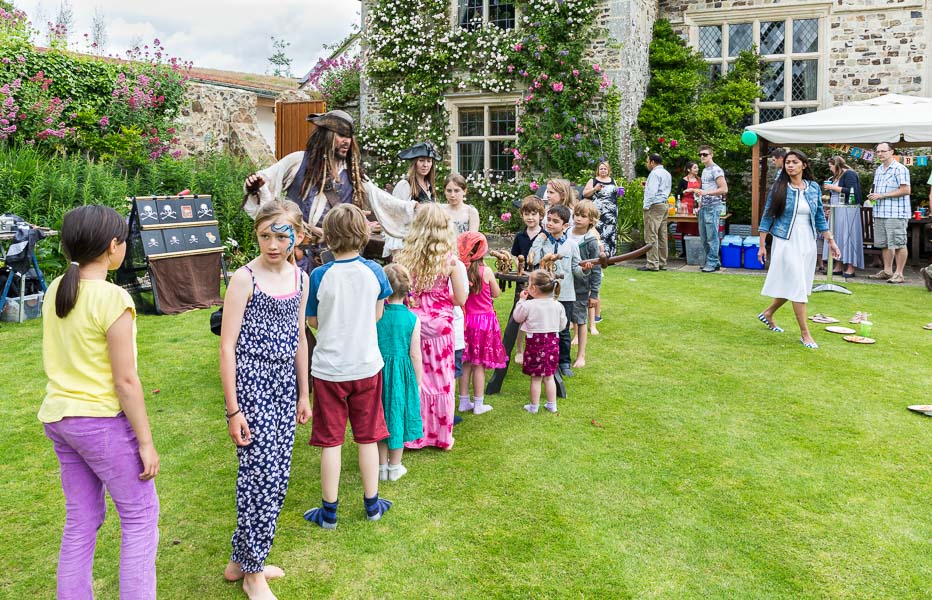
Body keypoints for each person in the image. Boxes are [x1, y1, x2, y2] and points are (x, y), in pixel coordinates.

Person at [38, 205, 160, 600]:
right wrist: (145, 442)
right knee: (141, 518)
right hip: (99, 423)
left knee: (81, 518)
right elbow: (125, 381)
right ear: (113, 247)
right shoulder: (112, 298)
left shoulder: (57, 288)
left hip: (61, 420)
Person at [219, 200, 311, 599]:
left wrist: (304, 392)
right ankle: (253, 573)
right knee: (260, 476)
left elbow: (299, 338)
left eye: (281, 235)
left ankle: (241, 560)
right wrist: (233, 409)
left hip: (284, 387)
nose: (272, 244)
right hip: (251, 386)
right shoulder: (244, 279)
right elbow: (226, 347)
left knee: (277, 474)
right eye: (264, 236)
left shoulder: (302, 279)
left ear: (298, 237)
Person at [303, 204, 394, 529]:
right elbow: (378, 314)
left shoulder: (318, 275)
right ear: (364, 234)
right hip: (366, 365)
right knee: (367, 438)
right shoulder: (375, 272)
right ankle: (372, 505)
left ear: (327, 237)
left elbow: (312, 320)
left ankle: (329, 513)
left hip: (329, 369)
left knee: (331, 441)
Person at [241, 109, 416, 263]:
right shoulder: (298, 161)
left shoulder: (354, 174)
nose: (346, 141)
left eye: (349, 136)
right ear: (326, 136)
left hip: (336, 258)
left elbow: (383, 200)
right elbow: (267, 179)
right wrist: (256, 184)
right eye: (341, 135)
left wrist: (413, 209)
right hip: (298, 255)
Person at [398, 204, 468, 451]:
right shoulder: (451, 262)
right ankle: (440, 436)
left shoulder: (404, 257)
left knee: (415, 379)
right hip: (440, 326)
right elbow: (460, 298)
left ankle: (413, 435)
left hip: (412, 323)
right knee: (441, 381)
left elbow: (399, 294)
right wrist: (439, 299)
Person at [757, 149, 840, 349]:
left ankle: (767, 313)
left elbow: (819, 215)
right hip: (786, 240)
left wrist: (830, 240)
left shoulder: (813, 188)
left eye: (794, 162)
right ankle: (805, 334)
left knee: (797, 283)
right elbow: (767, 216)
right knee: (798, 286)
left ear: (804, 164)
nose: (790, 165)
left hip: (808, 241)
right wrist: (761, 245)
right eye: (787, 162)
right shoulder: (779, 188)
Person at [376, 263, 423, 482]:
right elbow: (415, 354)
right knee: (397, 413)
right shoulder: (413, 318)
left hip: (378, 371)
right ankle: (394, 467)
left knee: (380, 415)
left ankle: (380, 466)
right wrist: (418, 380)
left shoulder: (376, 315)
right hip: (401, 374)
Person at [457, 231, 508, 415]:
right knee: (479, 364)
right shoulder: (485, 271)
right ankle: (478, 403)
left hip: (466, 321)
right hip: (484, 322)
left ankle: (463, 401)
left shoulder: (460, 270)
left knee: (466, 363)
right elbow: (496, 293)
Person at [529, 204, 582, 377]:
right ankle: (543, 357)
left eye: (555, 221)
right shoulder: (543, 242)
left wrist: (585, 269)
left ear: (565, 226)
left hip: (565, 294)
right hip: (545, 295)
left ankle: (564, 361)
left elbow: (576, 269)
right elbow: (533, 259)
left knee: (564, 329)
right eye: (548, 220)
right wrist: (539, 238)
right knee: (543, 327)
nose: (550, 224)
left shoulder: (572, 245)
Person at [513, 270, 567, 414]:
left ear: (533, 288)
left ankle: (534, 406)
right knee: (549, 376)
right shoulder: (557, 305)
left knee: (536, 378)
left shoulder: (529, 305)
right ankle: (552, 404)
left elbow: (517, 317)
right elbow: (562, 325)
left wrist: (521, 301)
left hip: (534, 344)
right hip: (552, 343)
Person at [383, 142, 442, 256]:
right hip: (408, 243)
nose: (425, 165)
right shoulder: (405, 185)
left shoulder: (429, 185)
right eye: (421, 160)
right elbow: (395, 217)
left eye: (429, 161)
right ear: (414, 163)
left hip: (426, 241)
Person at [867, 142, 912, 284]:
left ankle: (899, 274)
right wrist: (873, 195)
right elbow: (878, 191)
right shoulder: (879, 169)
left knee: (899, 243)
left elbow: (906, 190)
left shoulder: (900, 169)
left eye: (883, 151)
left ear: (891, 152)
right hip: (880, 211)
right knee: (885, 243)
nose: (880, 154)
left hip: (896, 213)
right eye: (878, 152)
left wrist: (882, 195)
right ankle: (887, 271)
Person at [510, 195, 545, 365]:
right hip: (523, 281)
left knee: (538, 314)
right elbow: (514, 256)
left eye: (534, 214)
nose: (530, 217)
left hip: (540, 281)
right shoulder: (520, 236)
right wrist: (518, 263)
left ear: (541, 215)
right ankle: (518, 349)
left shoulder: (545, 235)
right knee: (520, 314)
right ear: (522, 215)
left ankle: (536, 348)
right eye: (527, 214)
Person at [568, 200, 602, 367]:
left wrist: (594, 294)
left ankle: (581, 355)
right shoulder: (566, 233)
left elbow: (596, 271)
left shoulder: (591, 241)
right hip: (563, 285)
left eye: (583, 216)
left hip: (581, 287)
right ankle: (562, 355)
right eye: (576, 215)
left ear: (591, 220)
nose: (578, 219)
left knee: (581, 321)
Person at [821, 156, 864, 278]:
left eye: (831, 166)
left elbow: (853, 191)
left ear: (836, 165)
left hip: (848, 210)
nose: (830, 169)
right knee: (837, 236)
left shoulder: (849, 174)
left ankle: (850, 267)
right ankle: (838, 266)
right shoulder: (835, 177)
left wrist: (832, 187)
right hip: (837, 210)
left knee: (848, 236)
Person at [694, 145, 728, 272]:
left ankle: (713, 262)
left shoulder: (716, 170)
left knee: (712, 236)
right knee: (703, 237)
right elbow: (704, 190)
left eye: (705, 154)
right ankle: (712, 260)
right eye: (700, 155)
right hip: (704, 207)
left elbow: (724, 189)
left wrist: (705, 193)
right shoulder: (704, 170)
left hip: (713, 207)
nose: (702, 157)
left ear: (711, 155)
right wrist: (700, 205)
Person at [639, 153, 673, 272]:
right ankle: (662, 262)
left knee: (651, 234)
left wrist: (646, 206)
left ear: (652, 162)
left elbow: (652, 192)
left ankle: (652, 264)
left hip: (654, 205)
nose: (647, 163)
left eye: (648, 161)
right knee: (662, 235)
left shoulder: (654, 173)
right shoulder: (667, 173)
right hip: (664, 204)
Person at [582, 161, 619, 257]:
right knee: (598, 232)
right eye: (601, 168)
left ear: (608, 170)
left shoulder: (612, 180)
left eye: (605, 169)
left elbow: (615, 194)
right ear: (598, 170)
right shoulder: (593, 180)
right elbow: (584, 194)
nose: (603, 170)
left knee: (611, 232)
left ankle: (611, 256)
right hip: (597, 212)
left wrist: (619, 192)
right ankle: (598, 255)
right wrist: (595, 189)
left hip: (611, 213)